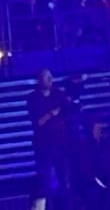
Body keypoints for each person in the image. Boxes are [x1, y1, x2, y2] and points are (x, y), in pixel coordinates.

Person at [28, 69, 71, 201]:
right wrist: (52, 113)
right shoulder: (33, 98)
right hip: (43, 145)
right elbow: (38, 121)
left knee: (64, 177)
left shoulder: (58, 94)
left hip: (60, 142)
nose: (50, 80)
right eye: (47, 77)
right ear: (40, 80)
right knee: (44, 179)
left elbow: (68, 112)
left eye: (51, 77)